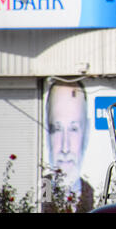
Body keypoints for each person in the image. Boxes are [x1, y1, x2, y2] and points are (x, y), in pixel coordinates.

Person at [44, 80, 94, 212]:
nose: (65, 148)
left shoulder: (92, 194)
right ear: (47, 133)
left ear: (86, 132)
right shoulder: (44, 187)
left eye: (73, 129)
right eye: (57, 129)